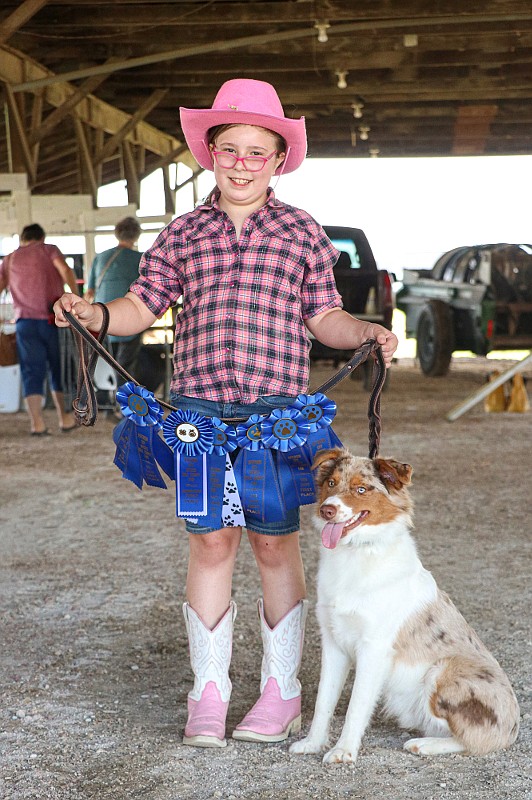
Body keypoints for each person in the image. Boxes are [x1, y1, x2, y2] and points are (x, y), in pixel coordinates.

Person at [54, 79, 398, 748]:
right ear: (210, 153)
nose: (242, 162)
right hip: (200, 413)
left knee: (274, 541)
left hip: (276, 415)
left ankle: (281, 694)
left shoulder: (300, 232)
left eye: (256, 151)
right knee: (212, 541)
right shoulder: (183, 233)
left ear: (278, 159)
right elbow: (141, 307)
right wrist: (97, 313)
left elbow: (322, 316)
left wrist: (364, 331)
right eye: (230, 149)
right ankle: (208, 694)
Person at [0, 223, 78, 435]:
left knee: (30, 371)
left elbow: (0, 285)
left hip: (25, 323)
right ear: (41, 237)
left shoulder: (10, 258)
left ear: (22, 239)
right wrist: (76, 296)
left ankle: (37, 424)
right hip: (53, 320)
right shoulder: (49, 249)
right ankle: (65, 418)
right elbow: (66, 270)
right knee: (58, 368)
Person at [85, 216, 143, 380]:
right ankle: (124, 401)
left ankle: (106, 399)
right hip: (130, 320)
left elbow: (89, 292)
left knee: (106, 365)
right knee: (125, 368)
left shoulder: (100, 258)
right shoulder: (140, 259)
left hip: (103, 321)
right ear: (136, 236)